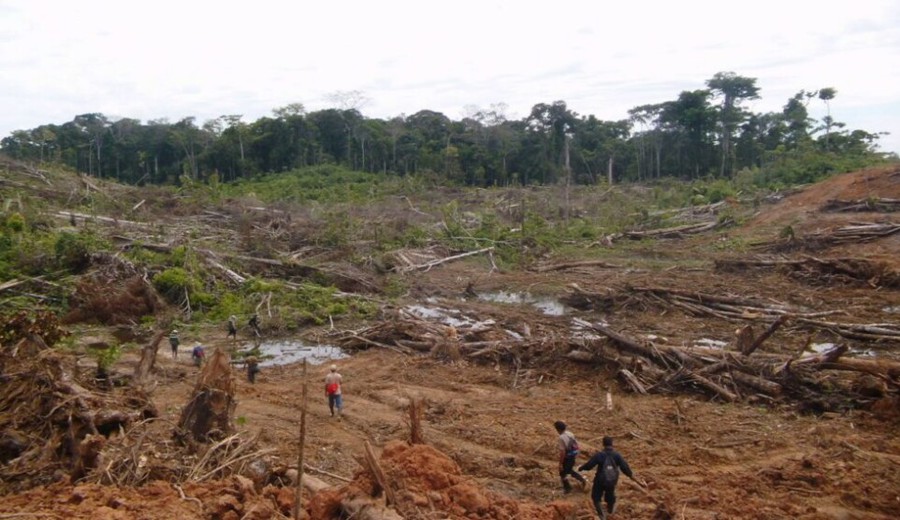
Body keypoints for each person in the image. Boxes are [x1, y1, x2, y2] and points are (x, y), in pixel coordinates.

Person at [578, 436, 640, 519]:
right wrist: (631, 476)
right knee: (610, 496)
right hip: (612, 480)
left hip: (600, 479)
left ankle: (602, 515)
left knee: (596, 497)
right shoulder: (617, 455)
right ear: (612, 444)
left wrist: (581, 468)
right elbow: (624, 467)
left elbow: (589, 465)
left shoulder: (600, 455)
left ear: (603, 444)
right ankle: (610, 512)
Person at [554, 421, 587, 494]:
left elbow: (562, 452)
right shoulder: (570, 433)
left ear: (558, 429)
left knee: (563, 472)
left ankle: (568, 488)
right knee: (568, 470)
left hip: (568, 456)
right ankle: (580, 481)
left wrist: (560, 464)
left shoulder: (561, 438)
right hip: (573, 454)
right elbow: (575, 444)